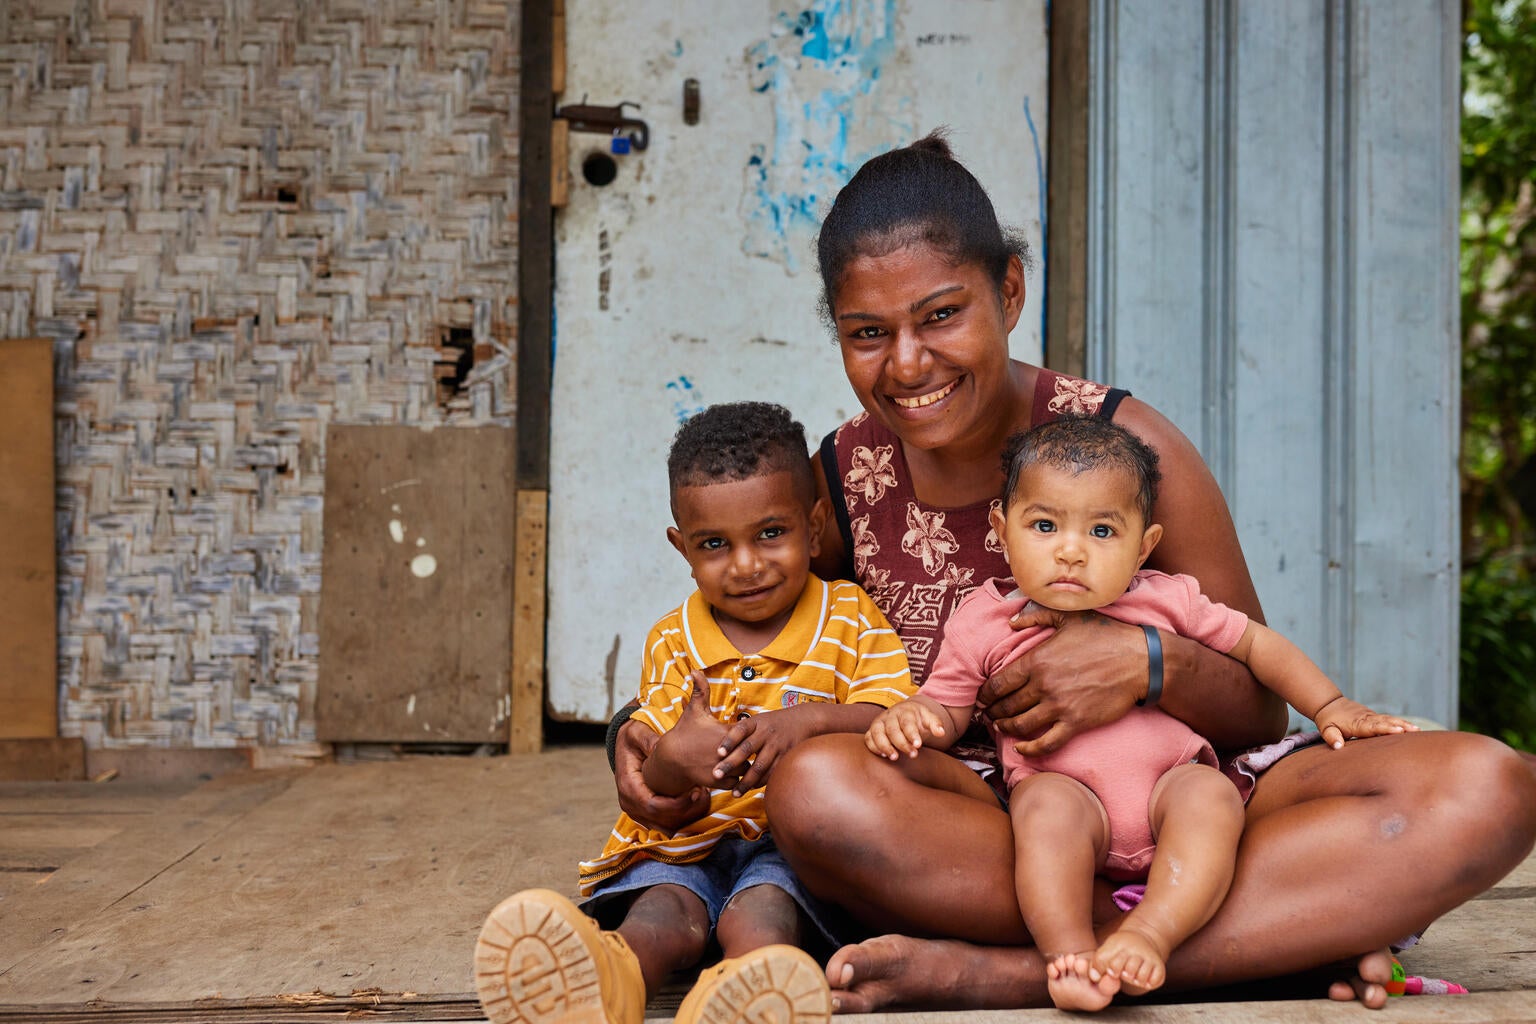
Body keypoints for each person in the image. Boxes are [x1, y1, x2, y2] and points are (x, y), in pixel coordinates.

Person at [610, 131, 1536, 1012]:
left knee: (1491, 788)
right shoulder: (842, 479)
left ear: (1008, 292)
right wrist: (638, 734)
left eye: (941, 316)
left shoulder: (1126, 447)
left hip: (1193, 799)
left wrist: (1146, 661)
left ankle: (1008, 975)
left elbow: (1262, 710)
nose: (907, 363)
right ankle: (1280, 937)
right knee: (815, 790)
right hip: (994, 826)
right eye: (867, 333)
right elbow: (739, 616)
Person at [865, 415, 1419, 1010]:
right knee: (1044, 812)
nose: (1072, 552)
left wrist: (1330, 704)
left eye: (1103, 531)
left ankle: (1151, 934)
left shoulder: (1165, 597)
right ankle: (1068, 955)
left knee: (1209, 797)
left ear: (1143, 545)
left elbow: (1257, 646)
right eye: (1045, 525)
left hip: (1168, 785)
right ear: (1002, 530)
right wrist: (913, 716)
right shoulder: (984, 620)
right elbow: (947, 710)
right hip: (1067, 793)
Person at [474, 402, 916, 1024]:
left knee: (761, 911)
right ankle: (609, 978)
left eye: (771, 533)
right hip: (686, 841)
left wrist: (807, 723)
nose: (746, 565)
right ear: (682, 548)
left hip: (788, 842)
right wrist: (673, 761)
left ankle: (752, 991)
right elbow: (648, 782)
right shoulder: (673, 640)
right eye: (714, 544)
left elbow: (893, 716)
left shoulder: (848, 618)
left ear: (815, 528)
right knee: (664, 914)